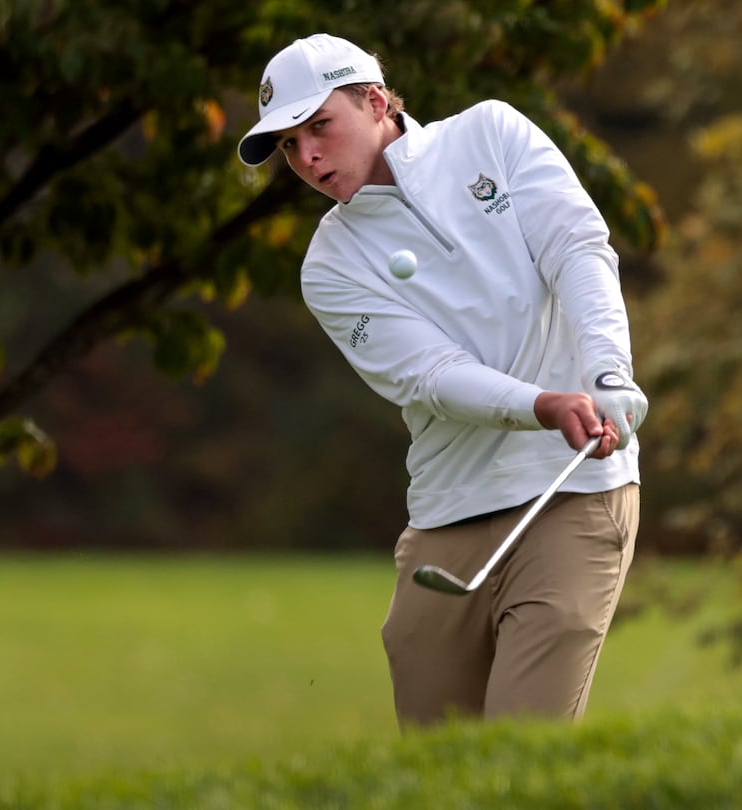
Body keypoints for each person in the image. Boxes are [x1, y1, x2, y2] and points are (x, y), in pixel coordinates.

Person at [236, 33, 648, 727]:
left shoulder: (490, 133)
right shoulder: (330, 265)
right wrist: (542, 404)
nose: (305, 157)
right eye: (287, 144)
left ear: (374, 100)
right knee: (438, 777)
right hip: (448, 514)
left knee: (521, 764)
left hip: (572, 489)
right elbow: (431, 376)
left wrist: (608, 369)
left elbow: (576, 248)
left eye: (318, 127)